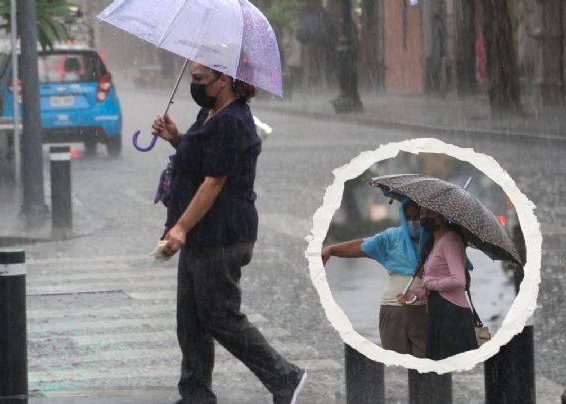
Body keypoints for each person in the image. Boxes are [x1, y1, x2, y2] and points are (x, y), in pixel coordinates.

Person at [151, 62, 307, 404]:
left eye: (200, 79)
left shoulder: (232, 122)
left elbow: (213, 181)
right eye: (192, 77)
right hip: (203, 233)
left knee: (220, 316)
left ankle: (285, 377)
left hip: (223, 234)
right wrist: (176, 137)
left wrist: (180, 228)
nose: (194, 85)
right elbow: (198, 159)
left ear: (224, 81)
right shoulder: (210, 114)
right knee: (190, 318)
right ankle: (195, 394)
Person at [321, 200, 429, 357]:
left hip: (425, 311)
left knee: (427, 366)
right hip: (393, 310)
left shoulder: (435, 239)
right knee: (397, 365)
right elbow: (363, 246)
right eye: (408, 217)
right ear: (403, 218)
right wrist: (332, 249)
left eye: (417, 216)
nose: (413, 221)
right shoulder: (391, 238)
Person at [398, 207, 478, 360]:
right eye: (422, 213)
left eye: (430, 213)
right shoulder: (435, 243)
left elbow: (459, 280)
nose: (424, 217)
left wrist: (431, 283)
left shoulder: (450, 240)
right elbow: (432, 283)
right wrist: (413, 295)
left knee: (451, 365)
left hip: (452, 313)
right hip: (439, 311)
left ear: (442, 217)